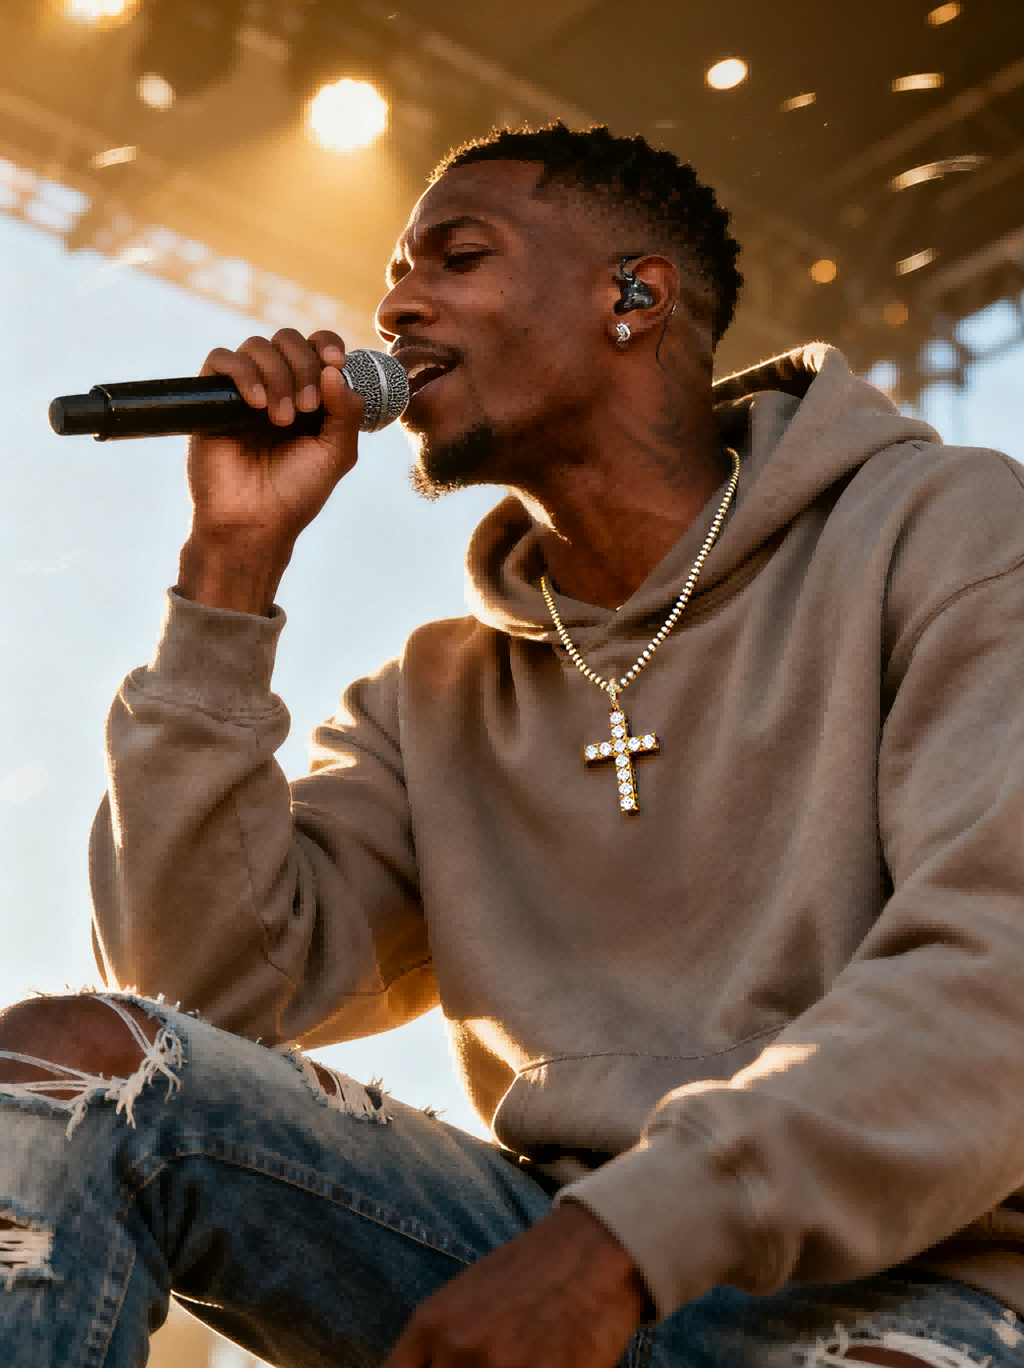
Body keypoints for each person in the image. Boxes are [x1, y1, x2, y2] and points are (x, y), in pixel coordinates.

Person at [3, 123, 1024, 1368]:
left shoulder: (949, 532)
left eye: (458, 255)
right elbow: (196, 999)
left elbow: (999, 971)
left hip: (925, 1280)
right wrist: (230, 571)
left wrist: (626, 1241)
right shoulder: (430, 695)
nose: (396, 301)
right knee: (74, 1069)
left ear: (633, 297)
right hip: (544, 1252)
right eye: (393, 269)